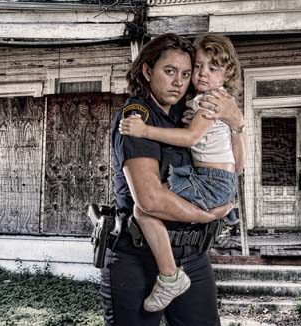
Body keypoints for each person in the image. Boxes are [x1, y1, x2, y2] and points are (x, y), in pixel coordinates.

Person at [101, 33, 246, 326]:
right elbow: (150, 200)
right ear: (147, 71)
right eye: (169, 72)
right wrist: (208, 214)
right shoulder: (137, 116)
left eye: (185, 72)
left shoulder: (188, 111)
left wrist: (236, 125)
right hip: (138, 259)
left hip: (193, 256)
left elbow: (237, 168)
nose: (179, 82)